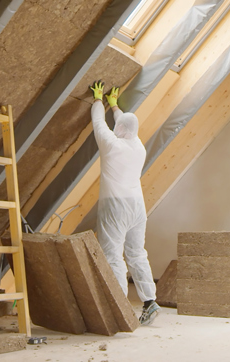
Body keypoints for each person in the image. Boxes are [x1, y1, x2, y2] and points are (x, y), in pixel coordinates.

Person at [88, 80, 159, 325]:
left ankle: (119, 306)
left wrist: (98, 100)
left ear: (119, 128)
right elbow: (126, 124)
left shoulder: (111, 145)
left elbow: (98, 123)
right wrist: (115, 106)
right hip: (137, 208)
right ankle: (150, 301)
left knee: (112, 256)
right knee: (137, 253)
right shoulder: (138, 146)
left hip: (115, 207)